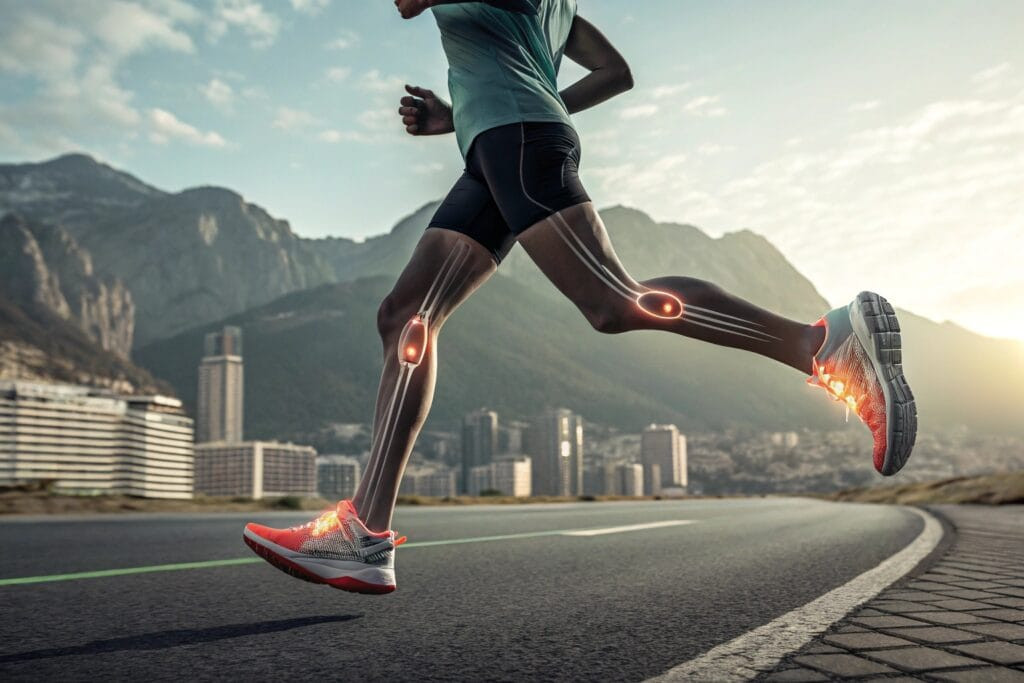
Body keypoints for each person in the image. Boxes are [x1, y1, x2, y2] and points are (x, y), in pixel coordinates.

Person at [243, 0, 917, 594]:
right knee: (407, 316)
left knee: (613, 301)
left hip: (519, 141)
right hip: (494, 151)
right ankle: (365, 532)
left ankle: (819, 344)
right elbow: (614, 72)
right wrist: (460, 117)